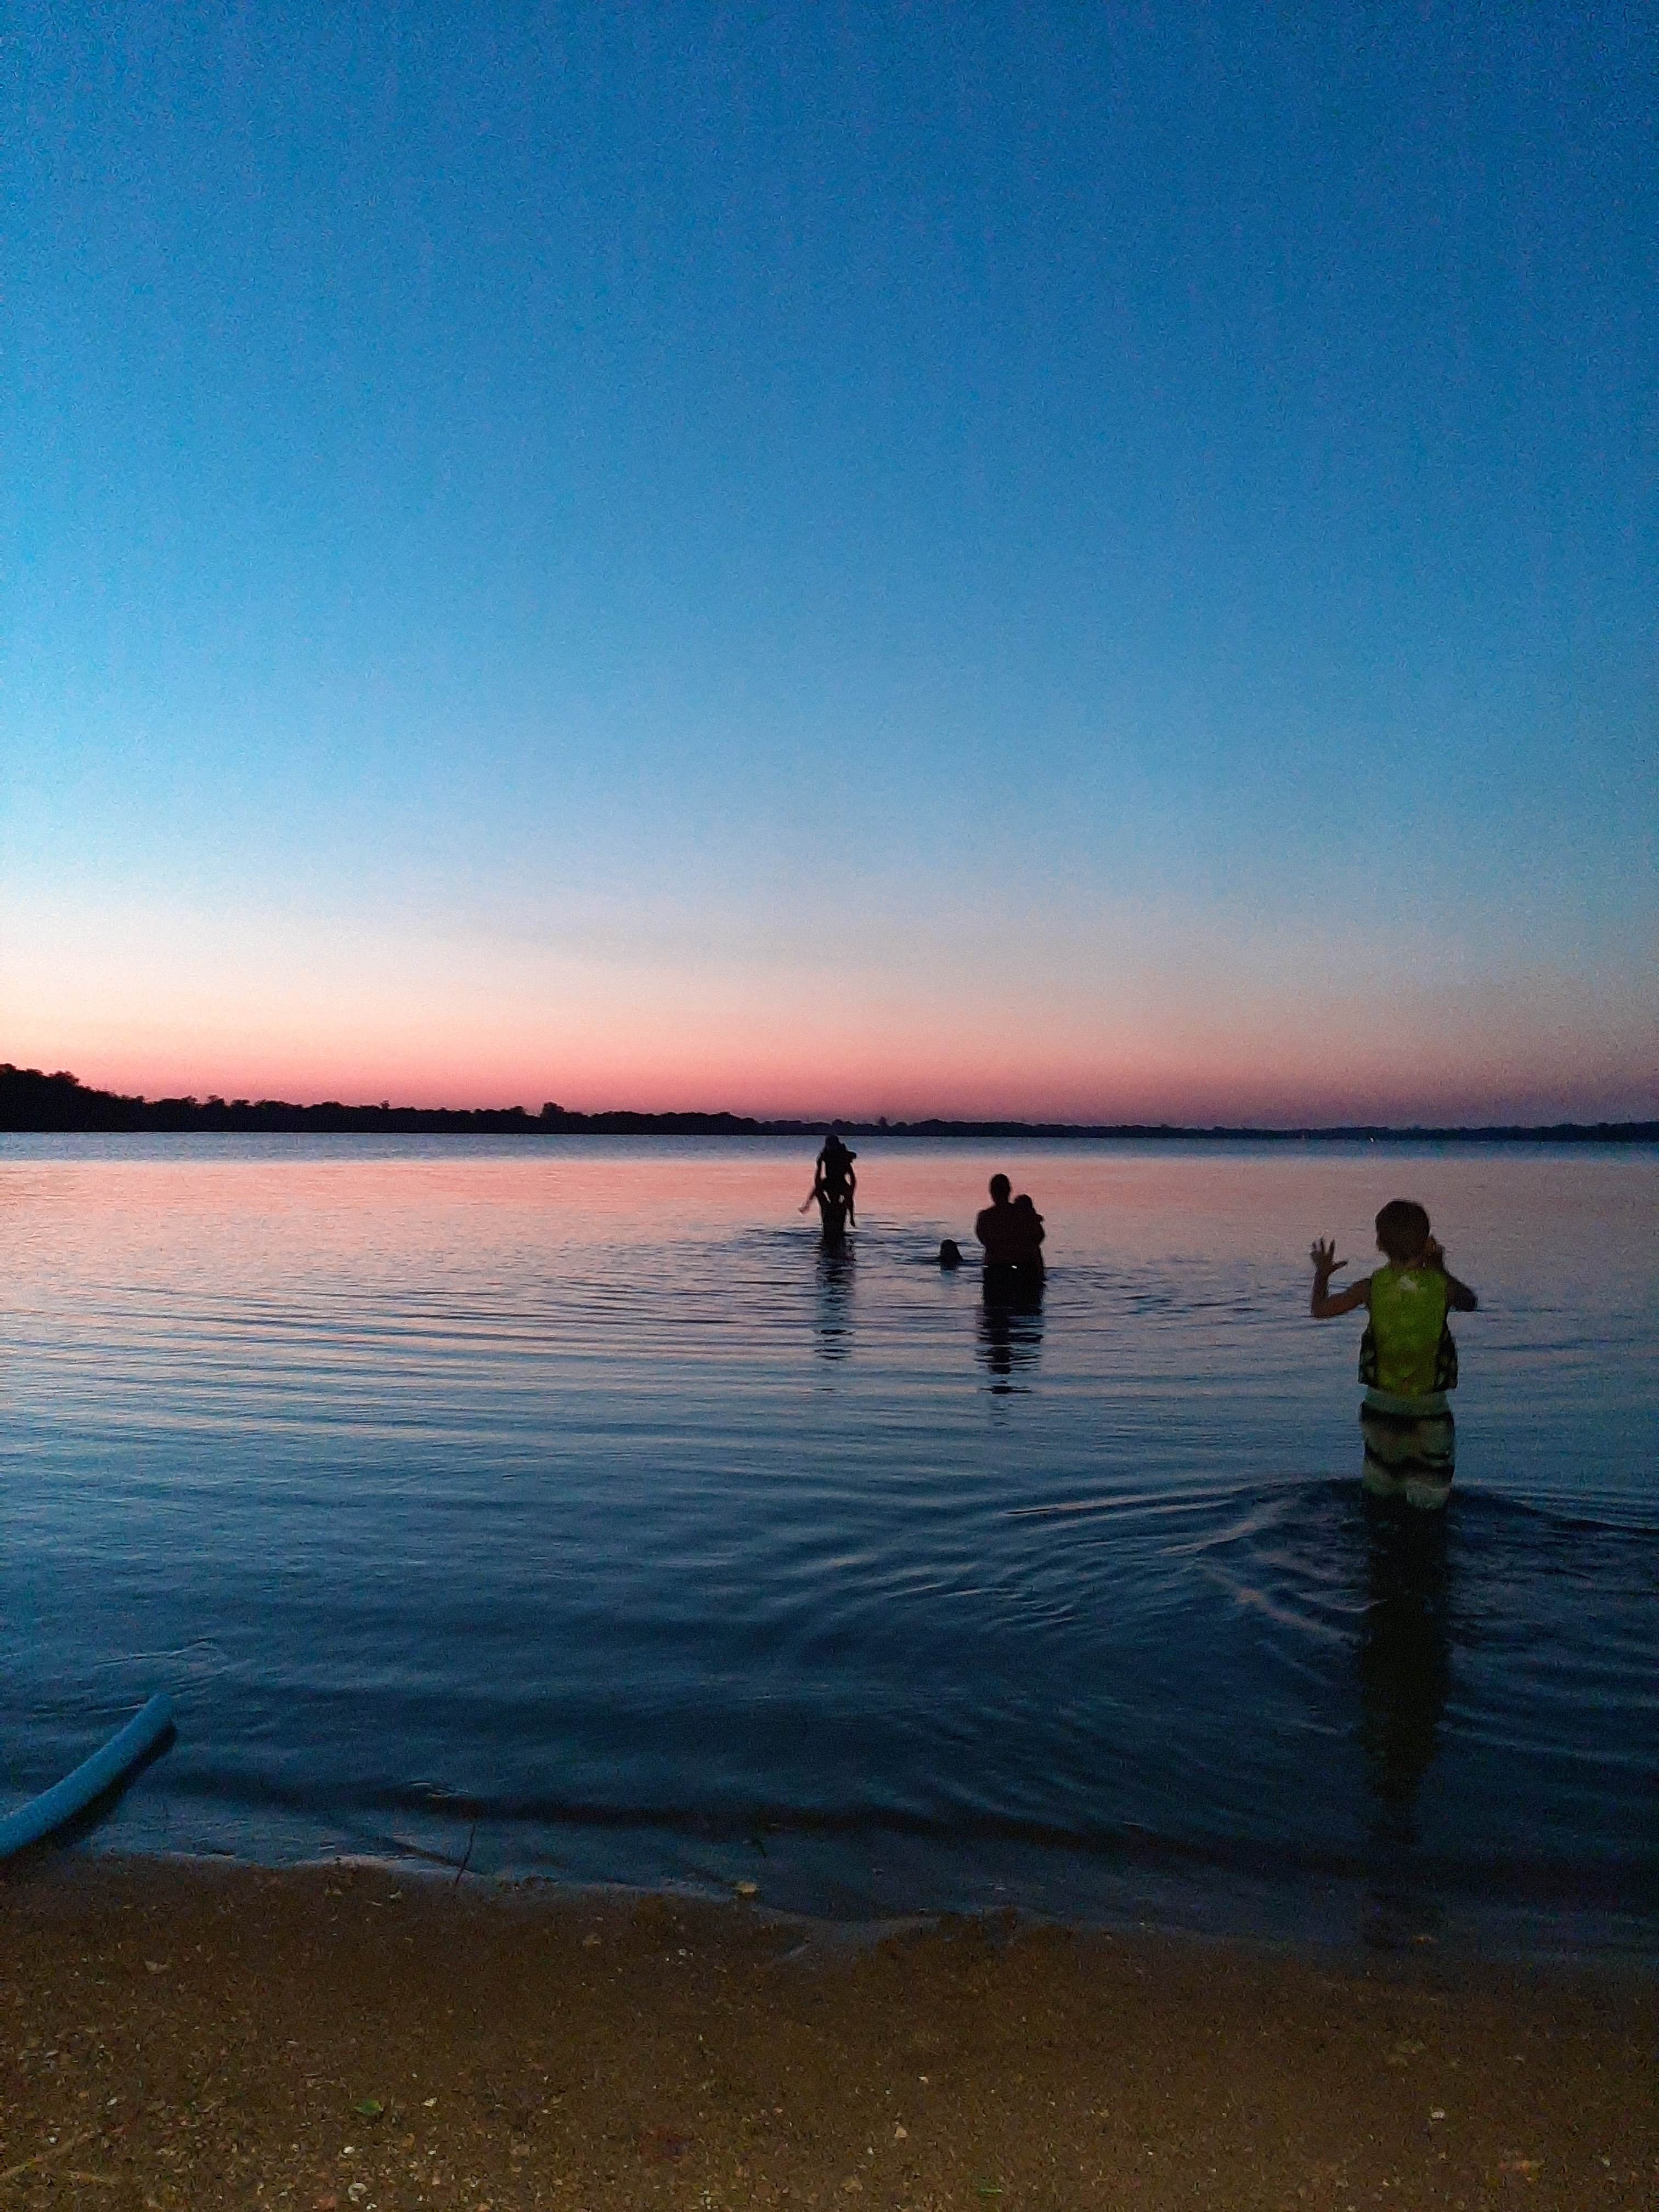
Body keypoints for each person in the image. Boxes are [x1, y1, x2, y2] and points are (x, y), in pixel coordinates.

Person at [1309, 1199, 1479, 1510]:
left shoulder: (1370, 1288)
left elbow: (1320, 1310)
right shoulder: (1442, 1287)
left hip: (1381, 1410)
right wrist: (1441, 1269)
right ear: (1428, 1243)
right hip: (1430, 1411)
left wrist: (1322, 1274)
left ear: (1378, 1243)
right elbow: (1470, 1301)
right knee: (1430, 1508)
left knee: (1379, 1503)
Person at [975, 1174, 1045, 1297]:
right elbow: (1039, 1237)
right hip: (1022, 1269)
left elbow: (985, 1241)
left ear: (991, 1192)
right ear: (1009, 1190)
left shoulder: (985, 1217)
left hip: (996, 1271)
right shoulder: (1023, 1214)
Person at [803, 1133, 857, 1240]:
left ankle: (851, 1217)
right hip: (829, 1180)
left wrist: (851, 1190)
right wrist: (819, 1167)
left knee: (848, 1196)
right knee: (817, 1190)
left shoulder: (843, 1156)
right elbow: (818, 1179)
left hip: (840, 1180)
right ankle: (807, 1205)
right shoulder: (825, 1155)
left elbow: (852, 1177)